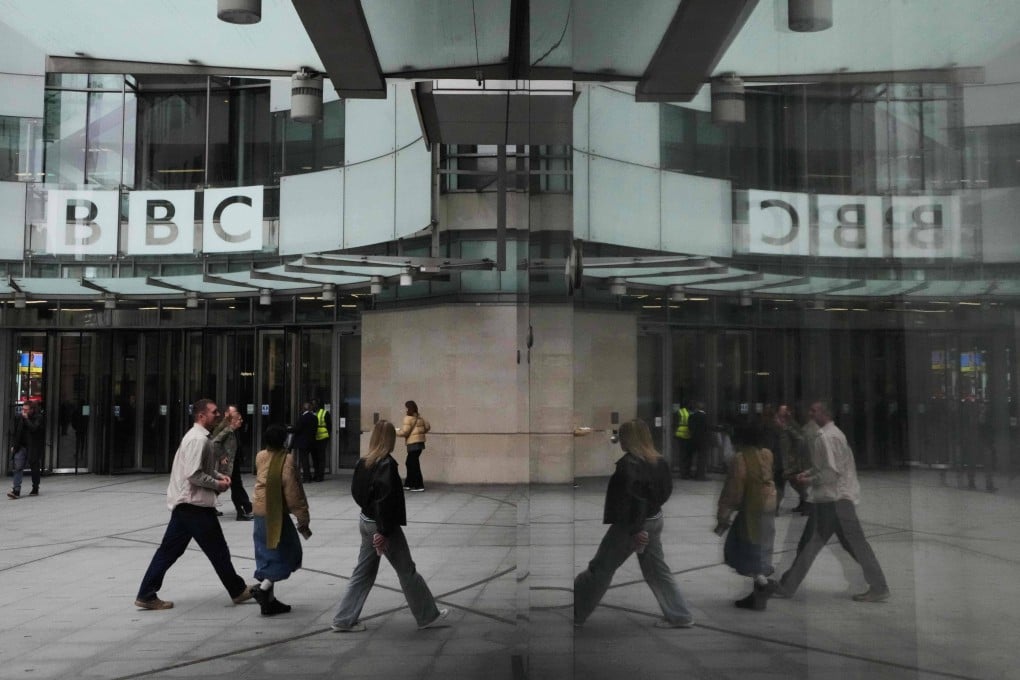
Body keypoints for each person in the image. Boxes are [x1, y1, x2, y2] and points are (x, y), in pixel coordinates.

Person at [134, 398, 256, 610]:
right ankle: (237, 590)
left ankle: (146, 594)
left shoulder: (200, 438)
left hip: (188, 505)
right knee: (217, 550)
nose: (218, 415)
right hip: (194, 505)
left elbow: (202, 468)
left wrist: (218, 476)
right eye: (214, 412)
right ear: (201, 416)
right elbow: (193, 474)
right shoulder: (198, 440)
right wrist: (218, 484)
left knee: (170, 551)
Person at [573, 419, 695, 629]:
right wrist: (649, 516)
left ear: (629, 439)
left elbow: (630, 501)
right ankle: (680, 615)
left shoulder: (628, 466)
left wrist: (637, 529)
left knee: (600, 568)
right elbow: (664, 493)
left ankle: (578, 612)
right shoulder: (659, 462)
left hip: (632, 527)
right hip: (654, 521)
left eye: (621, 436)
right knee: (658, 571)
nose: (619, 440)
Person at [330, 420, 448, 632]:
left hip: (366, 521)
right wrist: (382, 532)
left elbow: (357, 494)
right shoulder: (386, 465)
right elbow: (386, 501)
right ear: (389, 440)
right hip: (382, 526)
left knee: (363, 572)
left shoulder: (363, 462)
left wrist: (370, 516)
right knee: (406, 570)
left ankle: (343, 618)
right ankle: (428, 615)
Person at [769, 401, 890, 603]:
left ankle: (787, 586)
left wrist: (807, 479)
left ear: (824, 413)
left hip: (834, 501)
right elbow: (826, 467)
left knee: (814, 544)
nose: (810, 413)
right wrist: (808, 474)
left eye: (814, 411)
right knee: (846, 545)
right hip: (836, 500)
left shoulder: (827, 437)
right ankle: (788, 585)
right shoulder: (834, 435)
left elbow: (830, 473)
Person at [715, 421, 777, 611]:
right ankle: (759, 591)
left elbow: (734, 489)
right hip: (769, 504)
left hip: (753, 507)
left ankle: (763, 584)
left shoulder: (740, 459)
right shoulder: (767, 454)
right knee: (760, 546)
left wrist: (723, 514)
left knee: (745, 547)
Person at [251, 424, 312, 616]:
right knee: (288, 552)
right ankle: (262, 589)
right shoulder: (287, 459)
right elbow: (292, 492)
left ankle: (268, 603)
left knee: (267, 554)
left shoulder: (260, 456)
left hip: (260, 512)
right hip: (275, 514)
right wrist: (303, 517)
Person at [210, 404, 254, 521]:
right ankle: (245, 509)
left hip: (234, 462)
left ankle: (243, 510)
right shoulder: (226, 429)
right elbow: (215, 442)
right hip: (228, 464)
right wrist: (222, 456)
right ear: (231, 418)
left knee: (235, 487)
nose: (241, 420)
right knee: (233, 487)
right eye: (238, 418)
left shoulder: (234, 430)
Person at [8, 401, 45, 499]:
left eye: (26, 410)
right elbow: (16, 432)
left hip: (33, 446)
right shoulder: (20, 418)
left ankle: (35, 487)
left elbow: (34, 428)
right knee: (18, 466)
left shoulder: (38, 417)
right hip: (21, 446)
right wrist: (14, 445)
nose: (23, 411)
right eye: (23, 409)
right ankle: (16, 490)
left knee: (34, 467)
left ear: (32, 410)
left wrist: (26, 419)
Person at [397, 400, 431, 492]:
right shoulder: (419, 417)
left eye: (406, 407)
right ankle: (409, 484)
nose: (405, 409)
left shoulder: (408, 418)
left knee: (413, 464)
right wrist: (420, 433)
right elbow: (427, 427)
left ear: (408, 408)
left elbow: (404, 432)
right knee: (411, 463)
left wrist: (395, 431)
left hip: (413, 444)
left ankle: (418, 485)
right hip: (420, 444)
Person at [293, 401, 318, 483]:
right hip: (312, 441)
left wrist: (289, 429)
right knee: (313, 459)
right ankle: (313, 476)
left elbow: (298, 429)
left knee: (304, 460)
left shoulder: (302, 418)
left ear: (303, 409)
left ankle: (307, 477)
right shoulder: (314, 417)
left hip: (303, 442)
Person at [311, 398, 331, 482]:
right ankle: (316, 474)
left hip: (322, 437)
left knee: (321, 457)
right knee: (314, 457)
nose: (313, 406)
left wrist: (328, 436)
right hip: (313, 438)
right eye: (312, 404)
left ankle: (320, 475)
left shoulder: (324, 413)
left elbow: (329, 425)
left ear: (318, 405)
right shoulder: (311, 413)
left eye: (314, 404)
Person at [674, 401, 693, 477]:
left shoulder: (681, 412)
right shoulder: (684, 412)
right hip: (685, 435)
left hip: (683, 435)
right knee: (685, 455)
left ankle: (685, 472)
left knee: (684, 455)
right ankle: (684, 473)